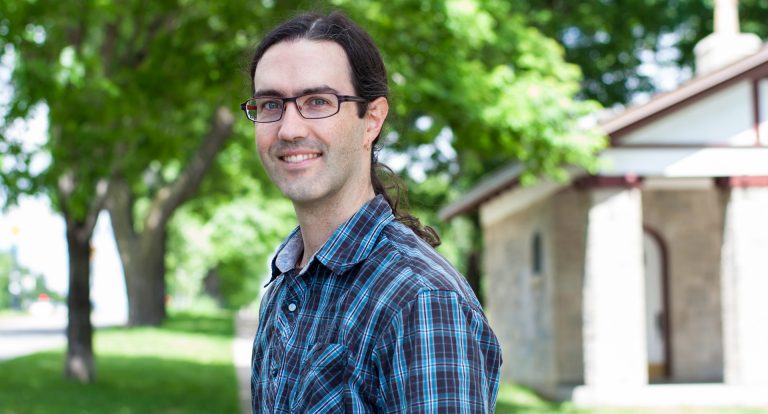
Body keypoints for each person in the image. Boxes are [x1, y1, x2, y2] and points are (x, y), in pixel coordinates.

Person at [242, 11, 502, 413]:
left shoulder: (421, 301)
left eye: (317, 102)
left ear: (372, 120)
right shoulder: (284, 287)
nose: (289, 129)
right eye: (271, 104)